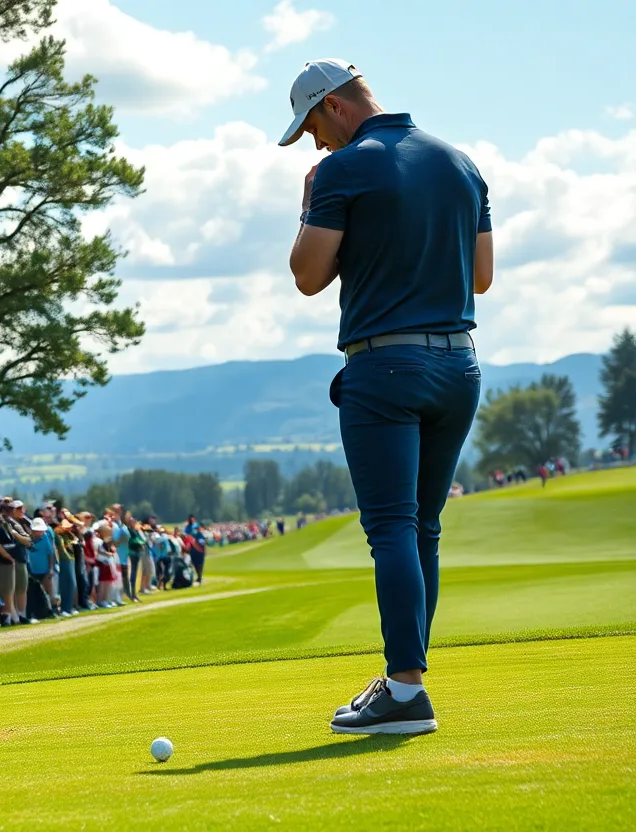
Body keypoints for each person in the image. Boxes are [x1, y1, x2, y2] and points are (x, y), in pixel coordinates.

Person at [282, 59, 490, 734]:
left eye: (313, 128)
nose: (316, 145)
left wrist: (313, 201)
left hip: (385, 366)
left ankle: (404, 692)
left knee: (393, 528)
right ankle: (405, 684)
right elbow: (480, 278)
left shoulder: (342, 170)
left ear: (335, 107)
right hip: (459, 365)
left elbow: (309, 276)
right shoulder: (462, 163)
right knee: (423, 528)